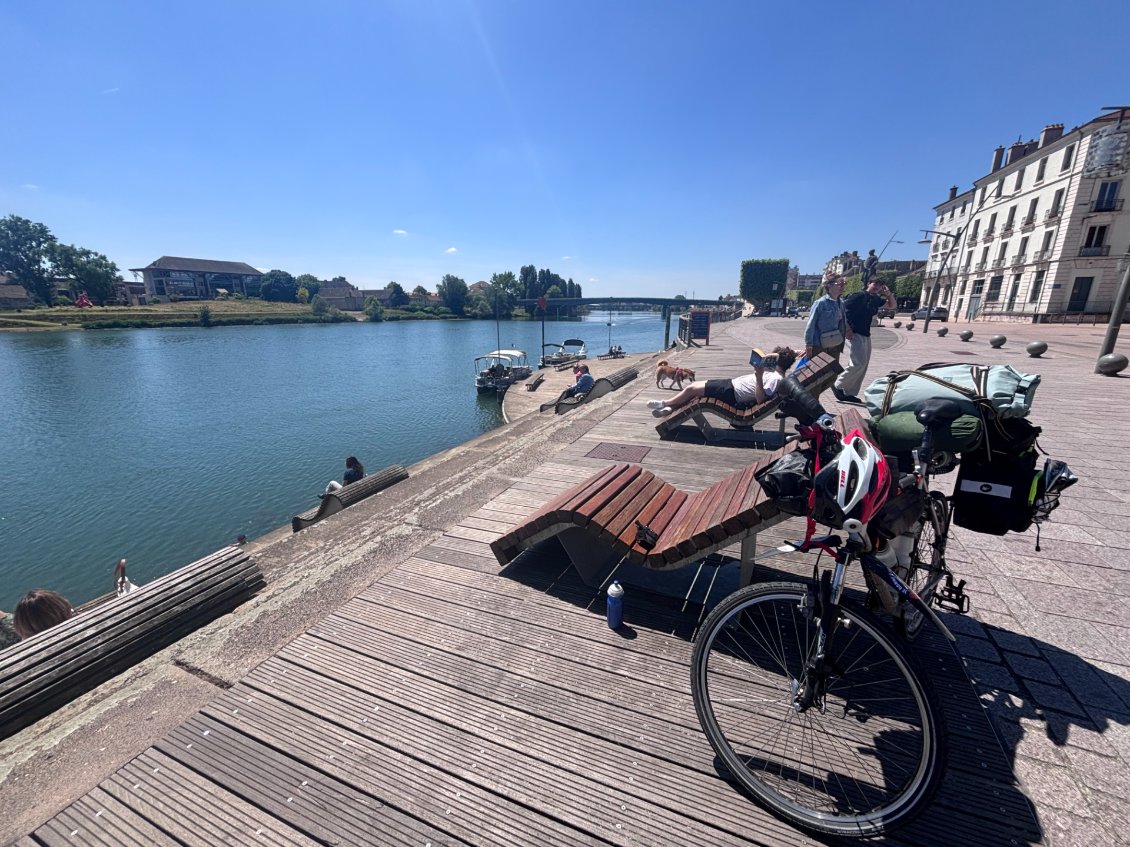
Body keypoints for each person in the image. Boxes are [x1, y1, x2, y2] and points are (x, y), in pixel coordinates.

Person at [647, 347, 798, 417]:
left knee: (692, 388)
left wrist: (758, 375)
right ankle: (671, 409)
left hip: (732, 392)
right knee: (696, 392)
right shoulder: (775, 373)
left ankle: (664, 403)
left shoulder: (777, 379)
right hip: (731, 385)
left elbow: (761, 399)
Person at [833, 279, 897, 403]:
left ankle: (848, 392)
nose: (877, 287)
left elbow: (892, 306)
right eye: (875, 284)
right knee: (858, 363)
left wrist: (888, 294)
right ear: (869, 283)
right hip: (854, 332)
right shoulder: (857, 296)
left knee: (864, 365)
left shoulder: (876, 299)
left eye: (880, 285)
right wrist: (847, 329)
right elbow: (843, 311)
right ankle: (837, 385)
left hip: (865, 334)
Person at [804, 275, 848, 365]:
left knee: (832, 374)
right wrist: (809, 344)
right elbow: (811, 324)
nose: (843, 287)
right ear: (829, 286)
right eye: (839, 284)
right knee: (818, 374)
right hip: (819, 345)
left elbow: (842, 323)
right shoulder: (820, 303)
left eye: (844, 284)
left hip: (835, 344)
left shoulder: (841, 303)